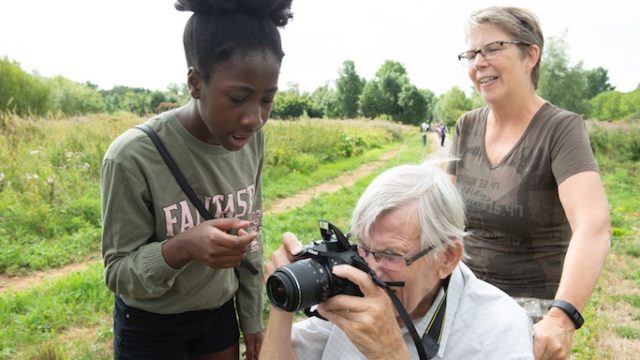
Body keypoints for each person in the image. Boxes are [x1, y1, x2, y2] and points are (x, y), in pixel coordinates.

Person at [100, 1, 293, 359]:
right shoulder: (131, 156)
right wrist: (183, 247)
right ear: (195, 82)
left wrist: (251, 318)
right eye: (238, 98)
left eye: (267, 100)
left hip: (218, 316)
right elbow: (118, 272)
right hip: (150, 325)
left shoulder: (252, 140)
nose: (255, 118)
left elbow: (251, 233)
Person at [448, 6, 611, 360]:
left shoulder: (560, 129)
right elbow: (439, 215)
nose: (479, 62)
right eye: (472, 53)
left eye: (492, 49)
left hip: (528, 308)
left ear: (530, 55)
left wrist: (561, 318)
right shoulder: (466, 126)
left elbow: (592, 226)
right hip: (463, 294)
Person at [260, 161, 534, 360]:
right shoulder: (352, 287)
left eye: (391, 255)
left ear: (447, 258)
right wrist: (283, 305)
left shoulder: (499, 329)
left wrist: (389, 353)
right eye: (363, 248)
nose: (371, 270)